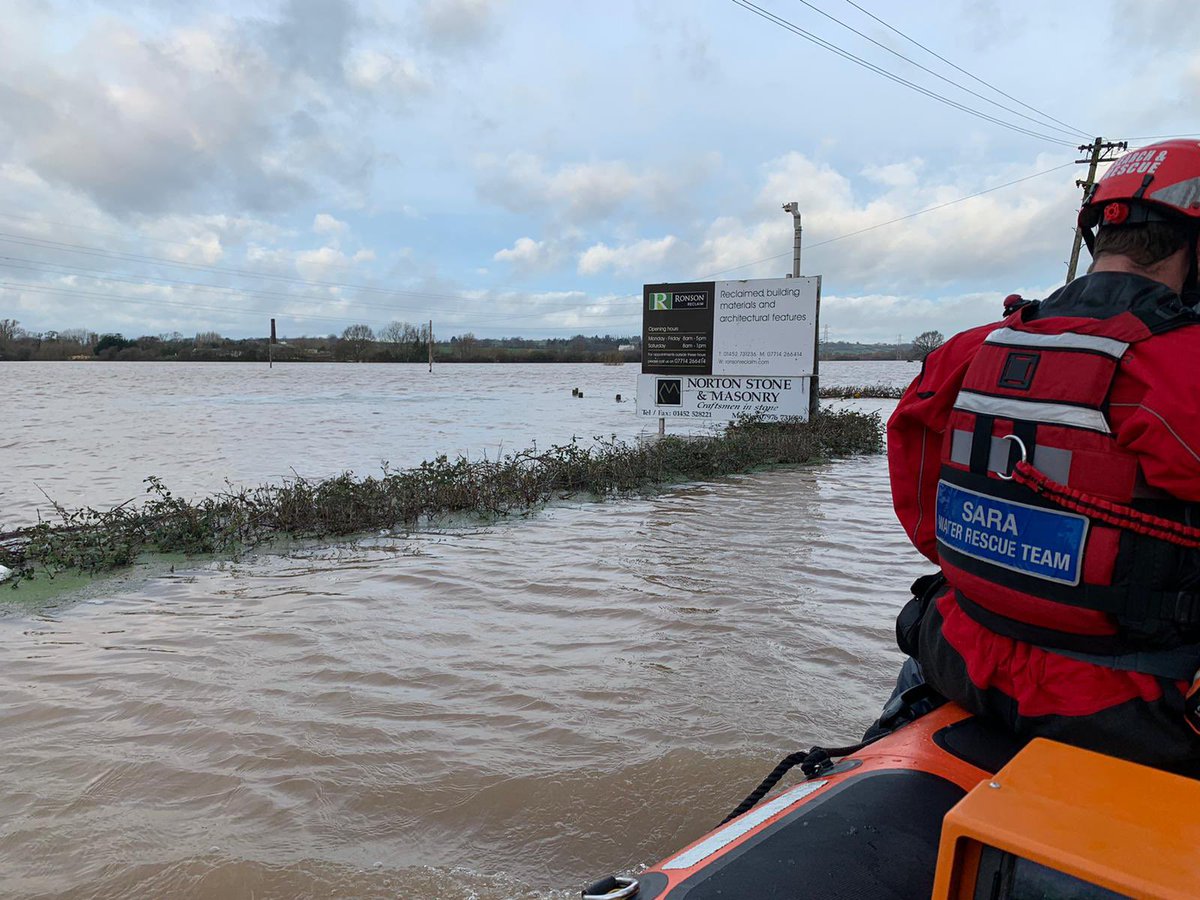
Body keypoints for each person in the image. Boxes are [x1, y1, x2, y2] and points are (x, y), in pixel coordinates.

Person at [883, 139, 1200, 773]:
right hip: (1123, 705)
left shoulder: (972, 348)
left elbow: (919, 495)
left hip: (958, 656)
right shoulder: (1181, 367)